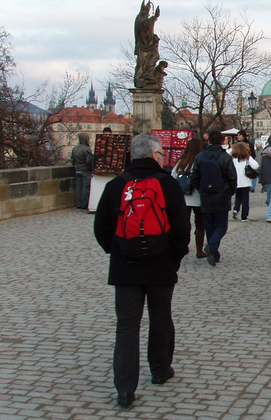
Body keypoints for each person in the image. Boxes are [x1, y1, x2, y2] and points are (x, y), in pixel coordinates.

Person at [93, 134, 190, 409]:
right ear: (154, 155)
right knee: (161, 319)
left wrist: (119, 252)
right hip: (161, 266)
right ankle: (160, 370)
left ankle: (124, 389)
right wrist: (174, 258)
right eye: (160, 154)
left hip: (126, 268)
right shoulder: (168, 184)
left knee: (126, 327)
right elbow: (183, 229)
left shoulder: (116, 185)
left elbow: (101, 229)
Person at [191, 131, 237, 266]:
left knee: (209, 226)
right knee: (222, 225)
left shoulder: (199, 157)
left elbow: (195, 177)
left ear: (208, 141)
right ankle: (212, 247)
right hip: (222, 195)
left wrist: (201, 189)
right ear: (222, 141)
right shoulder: (225, 157)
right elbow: (232, 177)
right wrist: (230, 192)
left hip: (206, 196)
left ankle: (214, 253)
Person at [172, 138, 207, 258]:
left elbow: (173, 176)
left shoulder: (181, 162)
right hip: (198, 197)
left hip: (183, 198)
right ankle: (199, 250)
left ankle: (182, 247)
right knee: (200, 225)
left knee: (184, 224)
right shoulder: (201, 161)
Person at [231, 142, 259, 222]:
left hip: (236, 181)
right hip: (245, 182)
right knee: (245, 200)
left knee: (238, 197)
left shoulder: (233, 158)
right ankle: (244, 216)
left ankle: (236, 209)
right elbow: (256, 165)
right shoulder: (247, 158)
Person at [71, 133, 93, 209]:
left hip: (77, 170)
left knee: (78, 188)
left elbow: (72, 160)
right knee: (85, 188)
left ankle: (79, 204)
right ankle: (84, 204)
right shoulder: (86, 149)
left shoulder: (75, 148)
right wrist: (90, 168)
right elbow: (89, 161)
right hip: (85, 170)